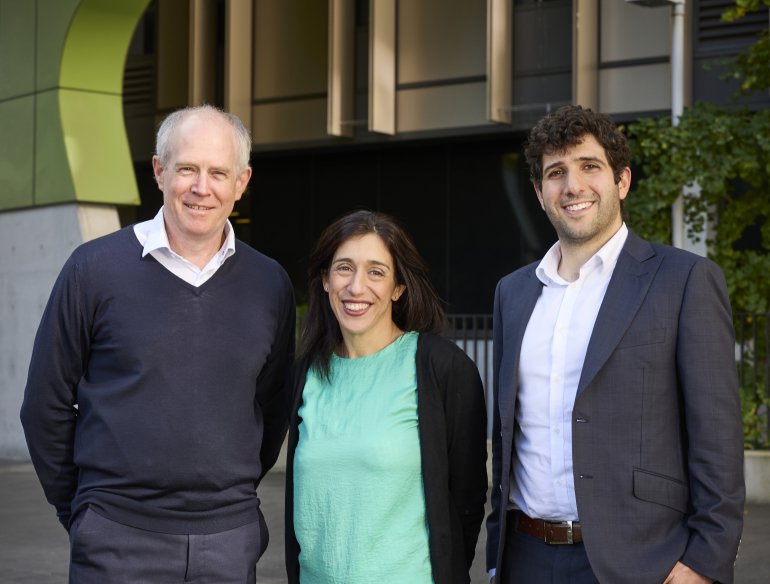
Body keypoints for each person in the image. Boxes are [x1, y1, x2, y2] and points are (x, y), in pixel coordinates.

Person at [20, 105, 295, 584]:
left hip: (228, 541)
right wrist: (83, 512)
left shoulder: (270, 284)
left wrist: (227, 499)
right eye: (187, 168)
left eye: (218, 173)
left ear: (242, 181)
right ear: (159, 171)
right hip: (116, 538)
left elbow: (272, 408)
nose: (201, 187)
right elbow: (44, 406)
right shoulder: (93, 270)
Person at [486, 106, 744, 584]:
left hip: (643, 560)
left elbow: (718, 438)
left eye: (589, 166)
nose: (573, 186)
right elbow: (509, 434)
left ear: (622, 180)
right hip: (524, 556)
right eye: (556, 173)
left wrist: (705, 562)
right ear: (540, 194)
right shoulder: (514, 292)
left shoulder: (684, 279)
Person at [284, 210, 488, 584]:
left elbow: (467, 500)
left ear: (398, 287)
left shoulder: (440, 367)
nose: (356, 287)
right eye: (344, 268)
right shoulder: (305, 373)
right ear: (325, 280)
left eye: (376, 272)